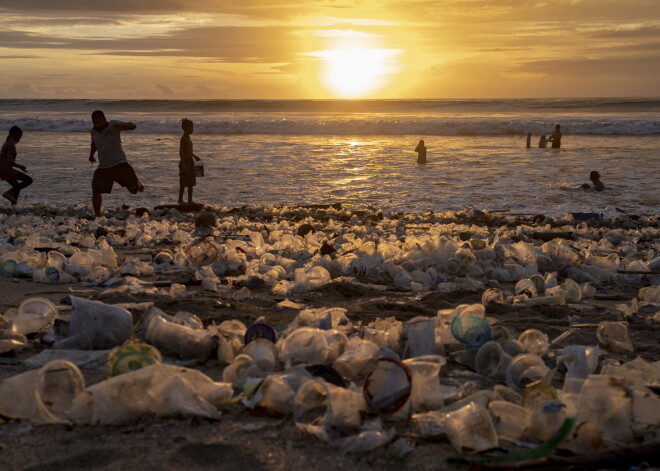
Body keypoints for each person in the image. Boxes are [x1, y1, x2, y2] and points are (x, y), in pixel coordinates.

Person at [89, 110, 143, 217]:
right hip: (104, 167)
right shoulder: (93, 131)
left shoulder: (113, 125)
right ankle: (97, 215)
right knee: (96, 190)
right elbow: (94, 143)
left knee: (134, 191)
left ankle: (136, 183)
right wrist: (91, 155)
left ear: (104, 119)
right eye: (94, 122)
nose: (97, 125)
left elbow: (133, 126)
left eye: (99, 122)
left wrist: (123, 125)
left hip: (120, 165)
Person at [0, 126, 32, 205]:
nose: (18, 139)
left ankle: (13, 207)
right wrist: (20, 166)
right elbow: (9, 162)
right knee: (28, 180)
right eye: (17, 136)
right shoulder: (11, 146)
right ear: (10, 134)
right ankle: (8, 193)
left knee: (16, 188)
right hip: (6, 169)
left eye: (19, 137)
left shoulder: (6, 144)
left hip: (2, 169)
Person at [178, 118, 202, 204]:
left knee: (191, 181)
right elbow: (181, 151)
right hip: (185, 162)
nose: (192, 129)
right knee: (184, 182)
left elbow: (189, 151)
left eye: (192, 127)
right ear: (185, 128)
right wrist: (183, 163)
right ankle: (180, 200)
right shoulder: (183, 138)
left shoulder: (188, 138)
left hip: (191, 161)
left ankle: (190, 200)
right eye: (190, 127)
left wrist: (194, 156)